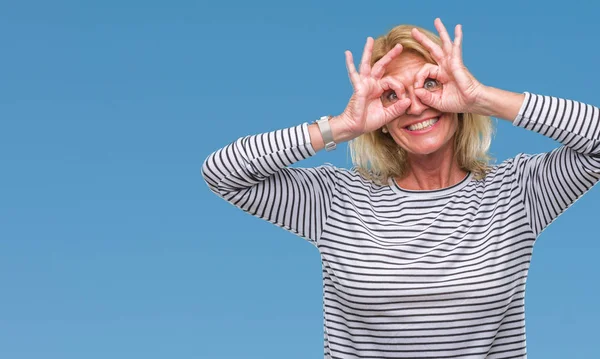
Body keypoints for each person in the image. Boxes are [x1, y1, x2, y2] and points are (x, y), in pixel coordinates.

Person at [202, 18, 600, 358]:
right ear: (382, 120)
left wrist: (481, 97)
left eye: (429, 84)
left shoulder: (519, 192)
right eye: (392, 95)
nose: (413, 106)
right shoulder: (334, 200)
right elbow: (223, 172)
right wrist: (342, 126)